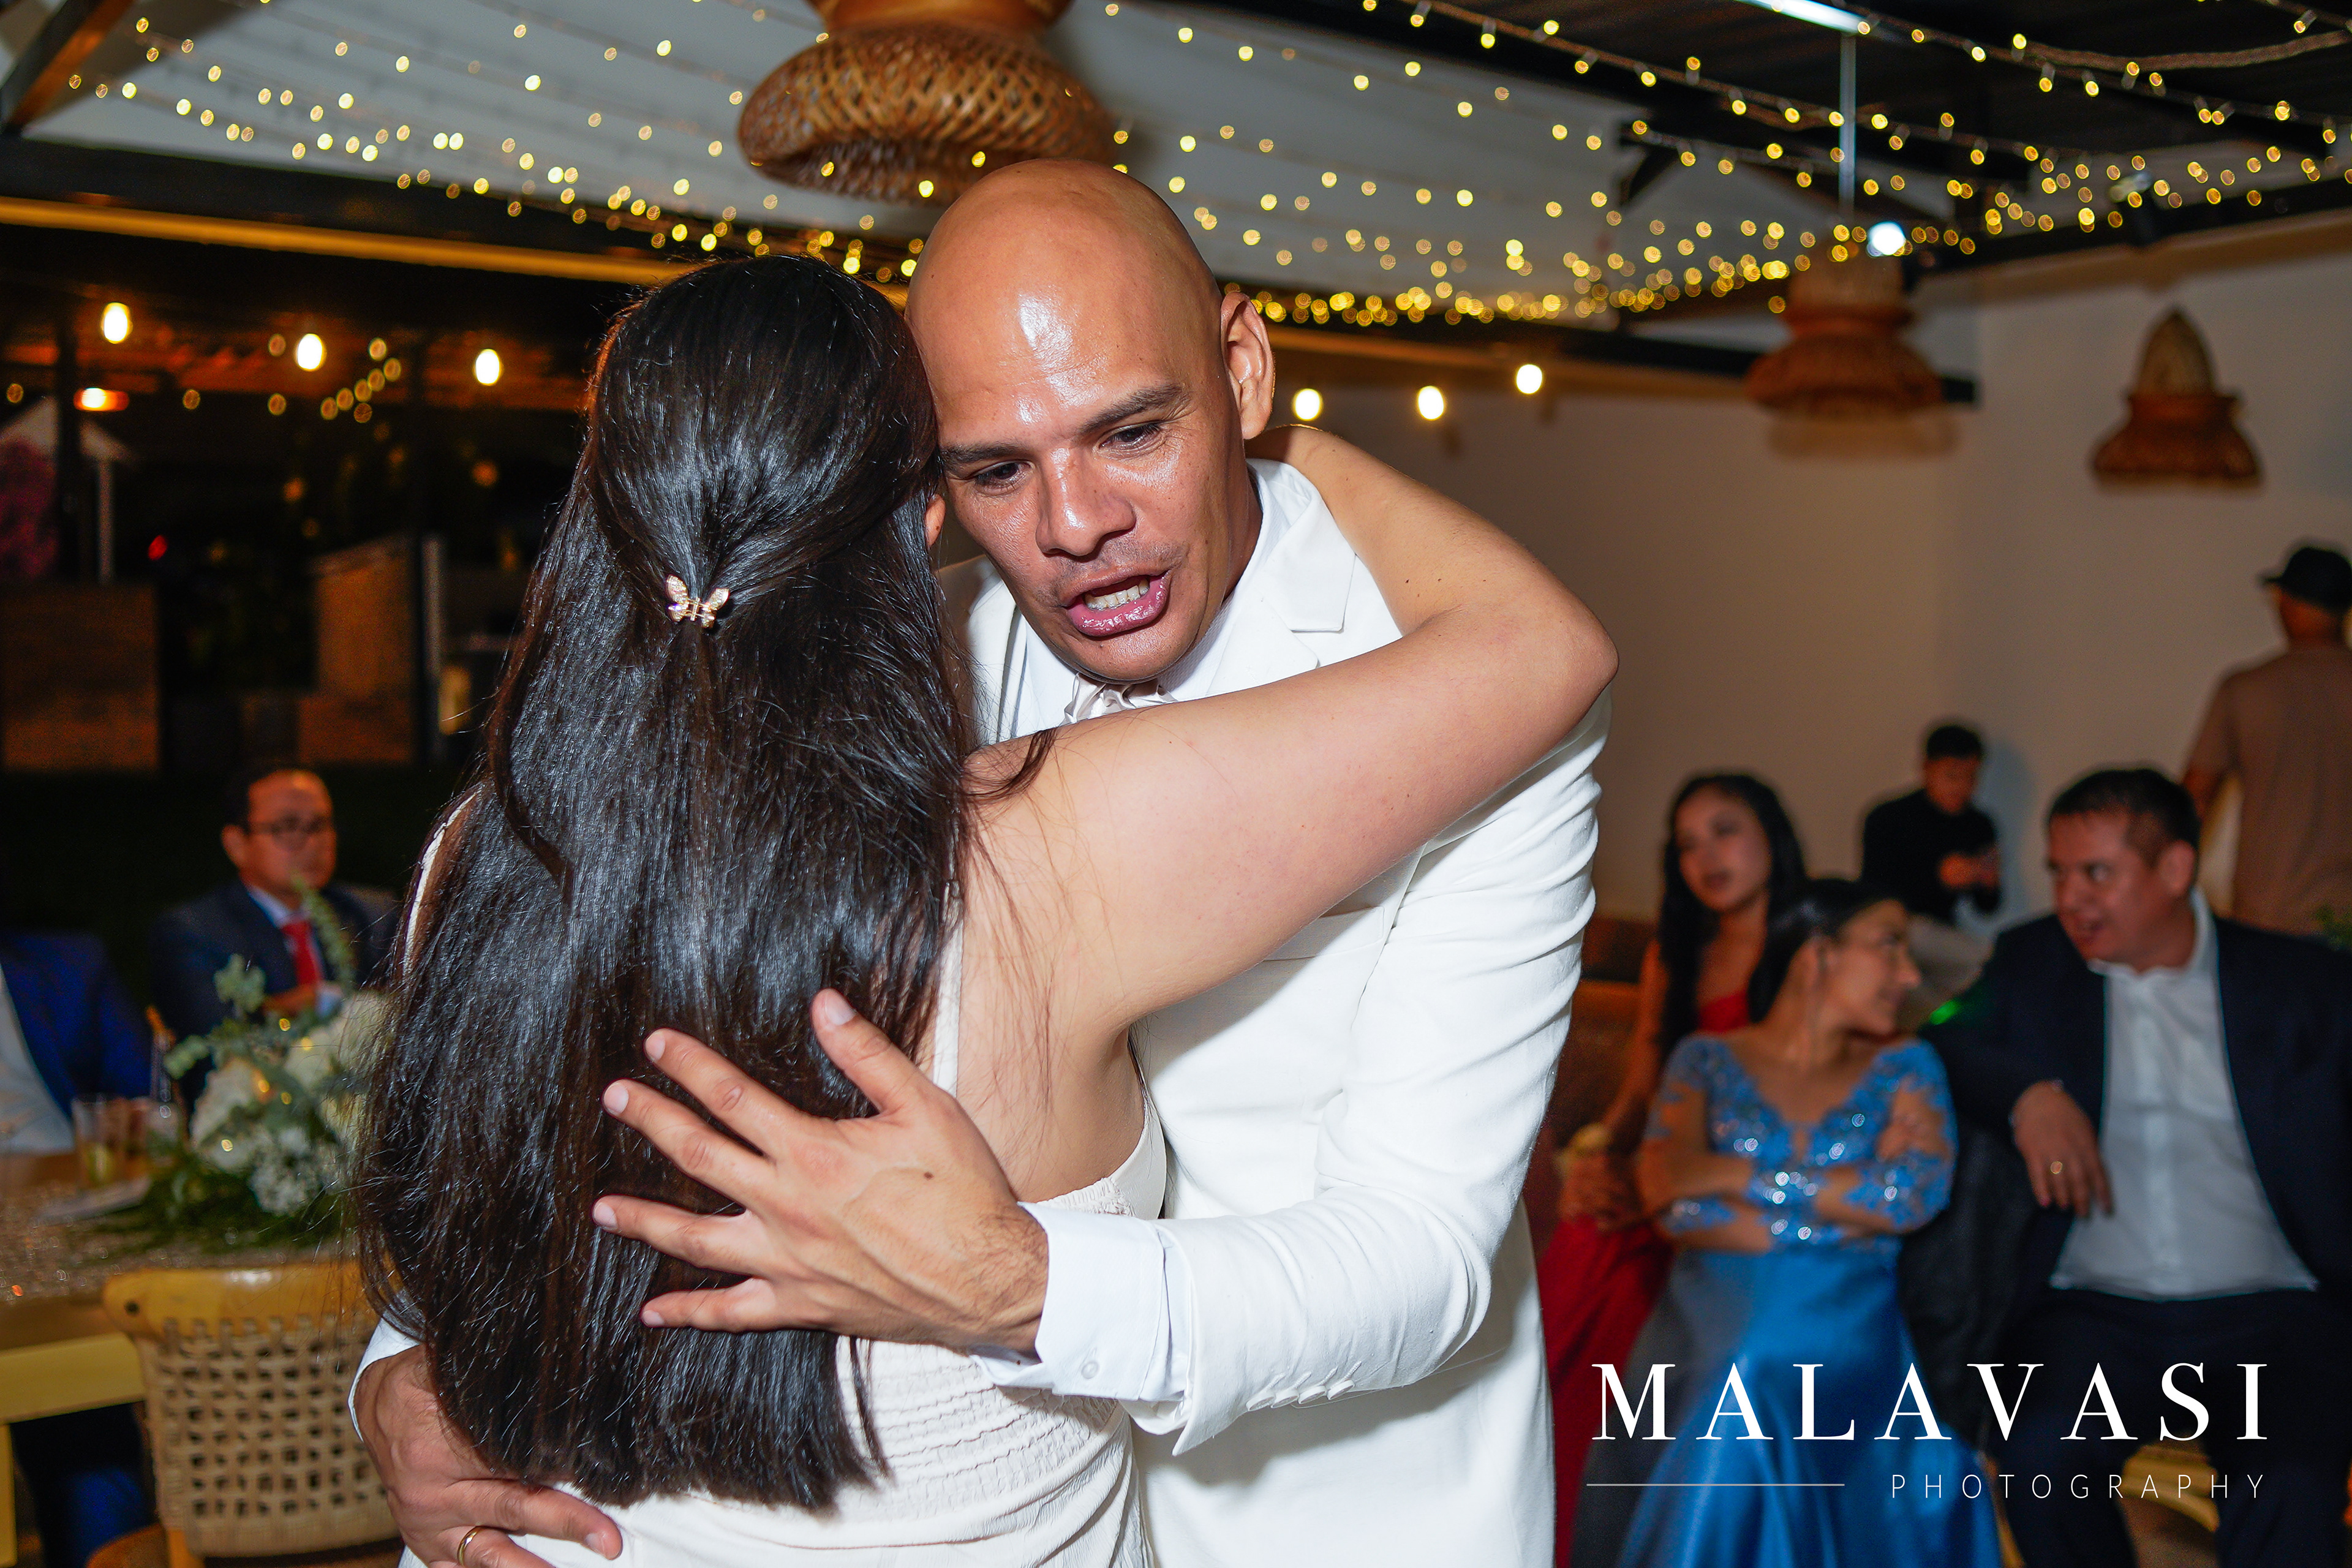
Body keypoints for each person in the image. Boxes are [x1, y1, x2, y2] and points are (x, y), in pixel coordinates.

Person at [349, 246, 1614, 1568]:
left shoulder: (477, 852)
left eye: (1135, 429)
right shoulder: (1021, 802)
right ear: (929, 507)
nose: (1074, 523)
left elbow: (1419, 1250)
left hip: (1328, 1514)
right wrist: (402, 1376)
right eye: (996, 468)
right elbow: (498, 1166)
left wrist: (1026, 1284)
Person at [1929, 768, 2352, 1567]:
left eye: (2097, 873)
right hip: (2092, 1313)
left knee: (2290, 1486)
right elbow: (1944, 1038)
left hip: (2273, 1310)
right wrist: (2027, 1096)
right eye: (2059, 872)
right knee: (2040, 1459)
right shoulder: (2033, 962)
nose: (2070, 898)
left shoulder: (2301, 982)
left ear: (2175, 868)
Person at [1573, 880, 1999, 1568]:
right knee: (1736, 1368)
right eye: (1889, 946)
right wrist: (1845, 1210)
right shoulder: (1705, 1059)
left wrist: (1729, 1174)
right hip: (1706, 1319)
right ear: (1816, 954)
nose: (1909, 975)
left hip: (1850, 1328)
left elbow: (1911, 1197)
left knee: (1751, 1369)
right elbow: (1669, 1197)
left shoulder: (1907, 1066)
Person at [1540, 773, 1805, 1552]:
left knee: (1645, 1300)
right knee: (1587, 1241)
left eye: (1725, 830)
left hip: (1752, 1193)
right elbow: (1640, 1093)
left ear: (1771, 833)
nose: (1706, 857)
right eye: (1687, 844)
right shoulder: (1676, 951)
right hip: (1658, 1177)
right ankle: (1549, 1525)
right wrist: (1596, 1155)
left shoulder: (1814, 947)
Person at [0, 922, 154, 1567]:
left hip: (64, 1223)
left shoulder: (66, 964)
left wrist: (130, 1118)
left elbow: (143, 1087)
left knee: (81, 1416)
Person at [146, 766, 397, 1044]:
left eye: (319, 825)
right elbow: (215, 1041)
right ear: (237, 845)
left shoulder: (374, 914)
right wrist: (297, 1007)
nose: (312, 843)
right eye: (288, 827)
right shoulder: (193, 933)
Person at [2181, 542, 2352, 937]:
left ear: (2286, 601)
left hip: (2268, 917)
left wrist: (2169, 884)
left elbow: (2195, 799)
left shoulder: (2245, 689)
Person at [1861, 723, 2001, 1019]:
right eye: (1952, 776)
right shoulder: (1888, 818)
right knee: (1986, 965)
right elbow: (1874, 895)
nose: (1961, 787)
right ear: (1926, 768)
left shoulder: (1978, 824)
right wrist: (1939, 879)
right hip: (1897, 929)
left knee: (1973, 992)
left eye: (1971, 778)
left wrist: (1988, 882)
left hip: (1941, 934)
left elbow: (1987, 907)